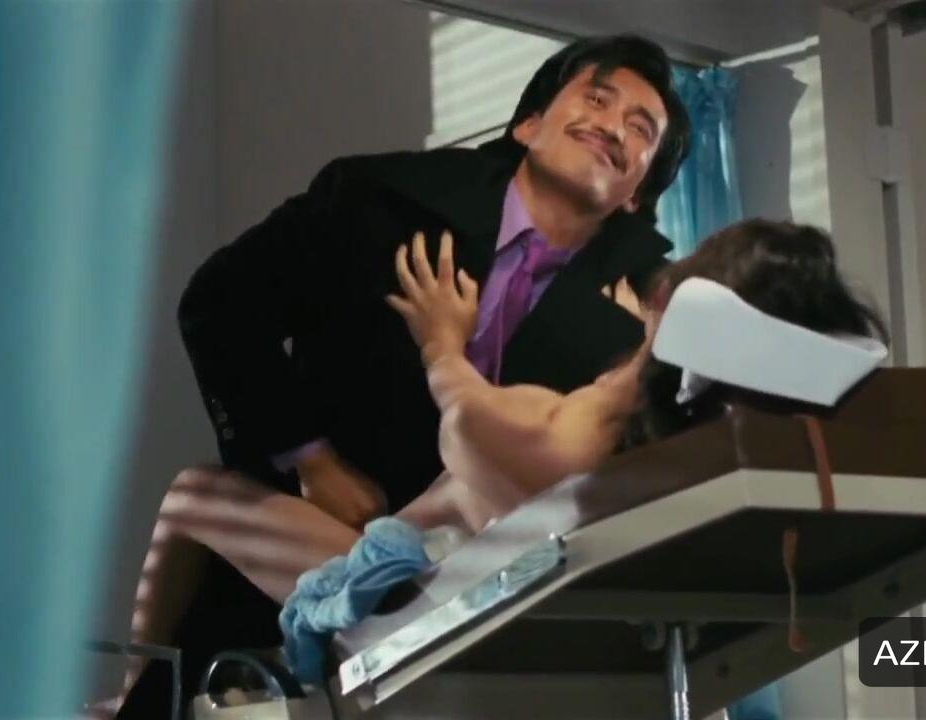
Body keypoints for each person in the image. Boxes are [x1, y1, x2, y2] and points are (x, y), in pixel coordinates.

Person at [117, 34, 690, 716]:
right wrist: (310, 459)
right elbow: (220, 305)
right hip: (284, 584)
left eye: (640, 128)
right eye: (596, 99)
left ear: (635, 194)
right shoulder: (376, 203)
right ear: (528, 124)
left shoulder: (629, 327)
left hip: (463, 630)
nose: (612, 126)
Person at [128, 216, 889, 699]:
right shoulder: (700, 446)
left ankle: (130, 695)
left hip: (403, 609)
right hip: (503, 605)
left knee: (192, 494)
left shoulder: (581, 430)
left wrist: (441, 343)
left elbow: (465, 426)